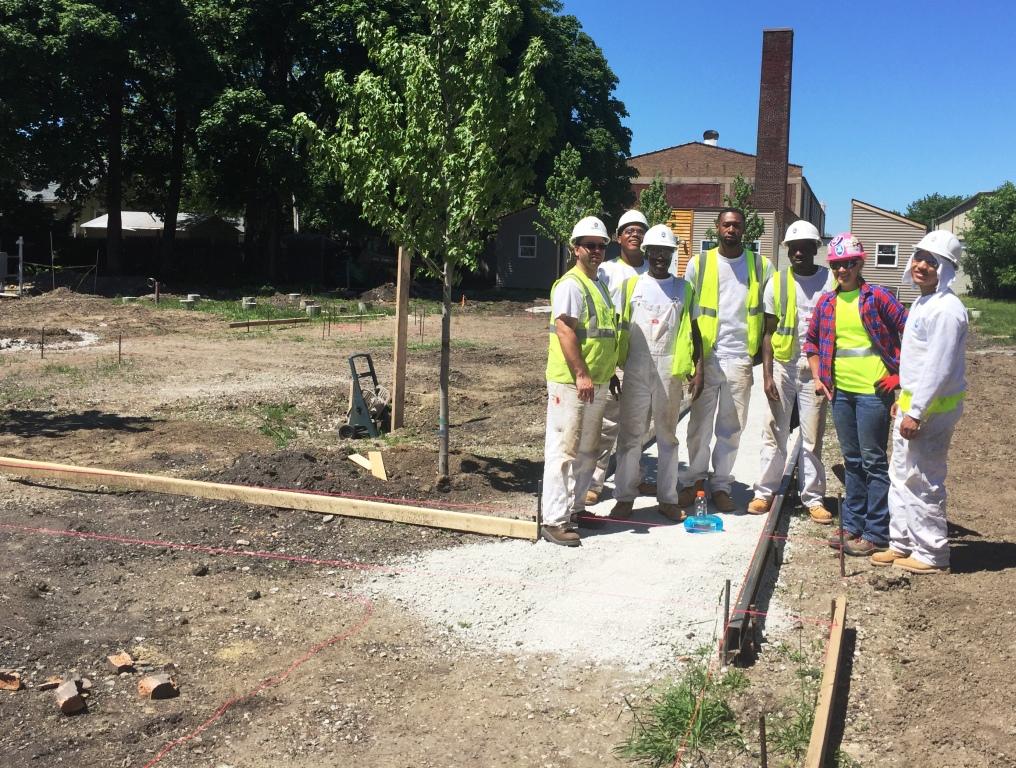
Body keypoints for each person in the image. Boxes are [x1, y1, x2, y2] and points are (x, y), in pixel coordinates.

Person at [804, 233, 908, 557]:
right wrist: (819, 376)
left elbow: (912, 333)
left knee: (874, 461)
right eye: (836, 266)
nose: (842, 271)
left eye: (848, 264)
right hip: (842, 394)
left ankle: (876, 532)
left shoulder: (877, 297)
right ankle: (852, 525)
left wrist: (900, 375)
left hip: (873, 394)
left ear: (860, 263)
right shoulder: (828, 303)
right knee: (852, 461)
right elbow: (811, 343)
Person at [874, 231, 967, 574]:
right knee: (900, 475)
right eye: (919, 258)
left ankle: (931, 552)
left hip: (931, 413)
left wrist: (916, 411)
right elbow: (915, 364)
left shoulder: (946, 310)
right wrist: (905, 400)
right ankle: (902, 542)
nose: (922, 266)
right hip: (916, 407)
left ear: (945, 269)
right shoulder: (924, 302)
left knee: (924, 479)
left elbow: (938, 369)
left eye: (932, 261)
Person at [678, 208, 773, 512]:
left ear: (745, 230)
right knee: (698, 426)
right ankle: (694, 481)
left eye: (737, 225)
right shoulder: (700, 263)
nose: (731, 229)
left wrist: (758, 353)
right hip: (706, 358)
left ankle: (721, 485)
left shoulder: (760, 265)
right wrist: (693, 360)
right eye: (726, 224)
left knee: (731, 428)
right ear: (717, 228)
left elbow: (769, 312)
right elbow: (686, 315)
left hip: (739, 359)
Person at [610, 225, 703, 521]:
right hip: (636, 366)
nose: (661, 257)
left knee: (667, 437)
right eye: (656, 252)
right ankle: (624, 497)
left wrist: (697, 369)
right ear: (647, 253)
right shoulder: (631, 287)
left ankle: (667, 498)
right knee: (630, 436)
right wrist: (613, 367)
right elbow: (617, 328)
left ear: (673, 255)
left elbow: (696, 331)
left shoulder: (683, 289)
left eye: (666, 252)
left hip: (669, 370)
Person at [540, 216, 619, 547]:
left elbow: (600, 333)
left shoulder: (597, 283)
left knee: (588, 449)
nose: (597, 251)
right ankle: (554, 519)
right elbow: (565, 330)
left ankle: (575, 509)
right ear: (576, 249)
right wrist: (582, 373)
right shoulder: (571, 284)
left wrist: (607, 372)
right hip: (572, 383)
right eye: (590, 245)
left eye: (601, 246)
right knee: (564, 449)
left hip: (596, 381)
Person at [748, 221, 835, 520]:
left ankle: (812, 498)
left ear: (815, 249)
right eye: (793, 247)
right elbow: (768, 333)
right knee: (774, 431)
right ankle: (764, 492)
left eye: (805, 247)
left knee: (812, 435)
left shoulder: (830, 280)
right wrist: (768, 375)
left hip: (816, 369)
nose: (799, 252)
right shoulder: (777, 282)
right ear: (787, 250)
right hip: (784, 366)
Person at [586, 209, 650, 506]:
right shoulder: (606, 272)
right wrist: (607, 364)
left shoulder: (656, 272)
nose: (635, 234)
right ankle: (594, 482)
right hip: (617, 362)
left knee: (637, 426)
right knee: (607, 424)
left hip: (646, 361)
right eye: (629, 230)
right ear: (618, 237)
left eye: (640, 230)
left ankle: (631, 479)